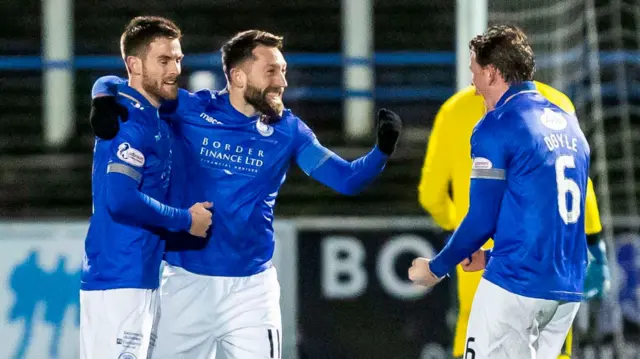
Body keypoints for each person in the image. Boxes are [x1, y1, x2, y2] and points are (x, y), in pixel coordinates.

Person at [89, 29, 403, 359]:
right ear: (238, 76)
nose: (282, 81)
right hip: (184, 283)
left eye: (283, 70)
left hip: (251, 291)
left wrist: (381, 150)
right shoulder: (187, 109)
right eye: (271, 71)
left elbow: (347, 180)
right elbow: (118, 82)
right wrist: (102, 99)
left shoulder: (289, 131)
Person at [408, 25, 593, 358]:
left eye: (475, 73)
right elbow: (550, 219)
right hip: (566, 289)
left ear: (492, 73)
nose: (473, 85)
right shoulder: (569, 123)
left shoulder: (497, 125)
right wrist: (489, 256)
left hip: (515, 288)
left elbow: (481, 220)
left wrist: (436, 267)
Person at [80, 16, 212, 359]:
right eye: (164, 60)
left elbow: (110, 81)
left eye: (178, 59)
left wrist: (101, 90)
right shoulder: (127, 123)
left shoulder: (153, 113)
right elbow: (120, 200)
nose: (175, 69)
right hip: (119, 277)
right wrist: (186, 220)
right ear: (134, 65)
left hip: (139, 275)